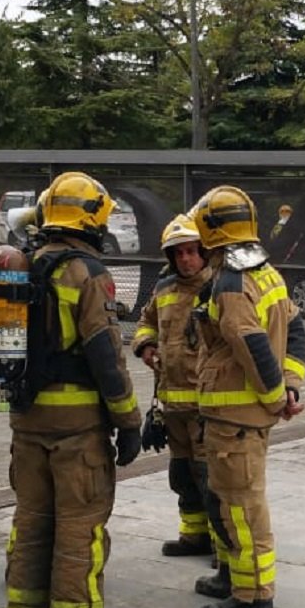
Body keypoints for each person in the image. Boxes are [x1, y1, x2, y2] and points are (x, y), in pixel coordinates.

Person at [3, 172, 142, 608]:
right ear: (93, 220)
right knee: (80, 527)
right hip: (77, 425)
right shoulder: (86, 273)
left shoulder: (24, 264)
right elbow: (106, 356)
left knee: (32, 519)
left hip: (26, 420)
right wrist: (128, 421)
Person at [187, 185, 305, 608]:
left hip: (236, 418)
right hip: (239, 419)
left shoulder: (231, 283)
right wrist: (291, 384)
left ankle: (253, 597)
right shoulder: (266, 272)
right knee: (232, 501)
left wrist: (277, 397)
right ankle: (234, 578)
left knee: (242, 507)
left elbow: (250, 343)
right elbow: (296, 330)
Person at [132, 214, 213, 559]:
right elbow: (146, 321)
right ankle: (193, 536)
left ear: (204, 252)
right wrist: (146, 345)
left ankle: (224, 548)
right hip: (172, 404)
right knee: (182, 474)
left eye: (192, 251)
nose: (185, 259)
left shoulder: (218, 287)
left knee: (212, 479)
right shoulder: (164, 288)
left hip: (206, 407)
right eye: (178, 253)